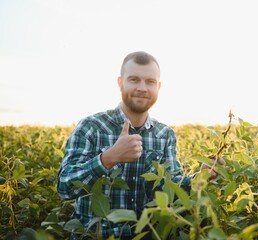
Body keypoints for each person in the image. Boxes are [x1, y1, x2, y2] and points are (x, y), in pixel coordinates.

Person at [57, 51, 224, 239]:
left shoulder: (164, 134)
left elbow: (169, 189)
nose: (142, 88)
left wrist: (200, 177)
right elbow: (64, 187)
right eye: (134, 80)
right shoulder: (91, 127)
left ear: (159, 87)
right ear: (120, 83)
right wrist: (109, 158)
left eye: (150, 82)